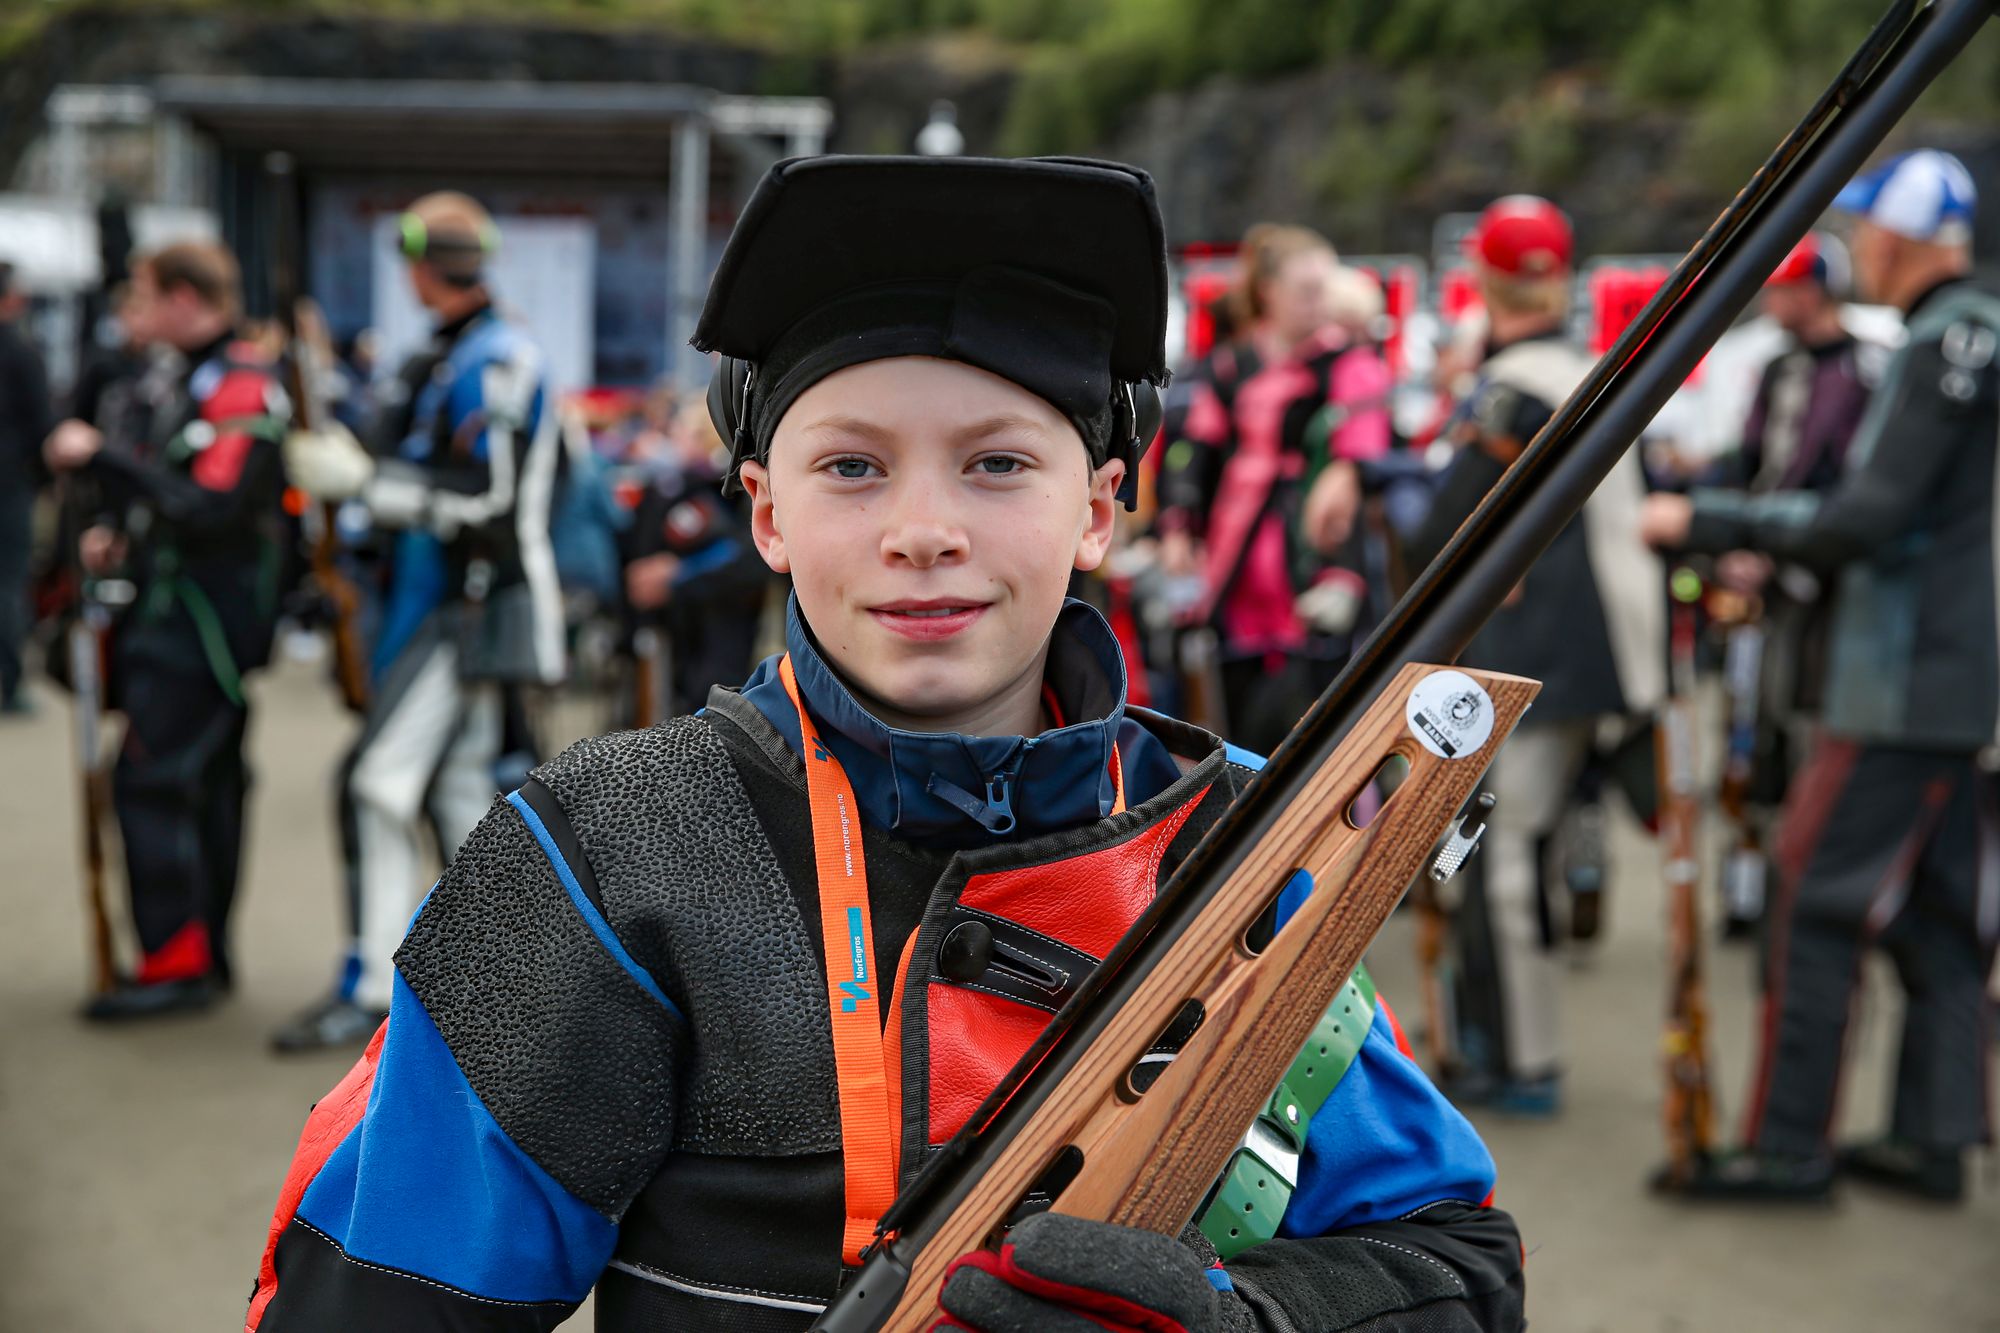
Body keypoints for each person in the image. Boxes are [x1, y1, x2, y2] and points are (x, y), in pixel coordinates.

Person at [246, 156, 1524, 1332]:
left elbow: (1455, 1264)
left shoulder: (1249, 845)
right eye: (852, 467)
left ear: (1097, 507)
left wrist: (1242, 1316)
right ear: (765, 513)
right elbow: (375, 1299)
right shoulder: (606, 849)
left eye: (998, 464)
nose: (923, 529)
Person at [1641, 150, 1997, 1203]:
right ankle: (1933, 1136)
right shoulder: (1960, 332)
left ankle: (1786, 1147)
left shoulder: (1943, 338)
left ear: (1898, 239)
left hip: (1896, 680)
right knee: (1933, 917)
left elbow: (1862, 519)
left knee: (1810, 897)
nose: (1856, 256)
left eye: (1865, 234)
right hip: (1949, 675)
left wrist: (1704, 520)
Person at [273, 191, 566, 1052]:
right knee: (458, 789)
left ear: (416, 265)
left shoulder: (497, 355)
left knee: (381, 784)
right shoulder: (453, 353)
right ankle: (500, 986)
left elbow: (494, 497)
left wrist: (363, 485)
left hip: (470, 604)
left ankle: (377, 987)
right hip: (438, 603)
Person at [1404, 196, 1665, 1114]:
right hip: (1614, 654)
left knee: (1504, 858)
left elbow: (1444, 529)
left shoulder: (1512, 384)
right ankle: (1513, 1039)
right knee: (1530, 849)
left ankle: (1523, 1056)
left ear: (1482, 279)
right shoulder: (1586, 363)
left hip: (1551, 652)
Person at [41, 241, 290, 1017]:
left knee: (156, 782)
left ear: (186, 296)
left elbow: (210, 505)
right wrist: (120, 530)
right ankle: (194, 957)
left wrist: (105, 459)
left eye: (145, 296)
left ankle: (177, 962)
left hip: (201, 630)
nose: (134, 314)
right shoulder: (180, 375)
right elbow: (173, 497)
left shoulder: (241, 381)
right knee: (198, 787)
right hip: (173, 618)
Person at [1704, 231, 1886, 933]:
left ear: (1814, 290)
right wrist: (1728, 542)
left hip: (1822, 590)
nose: (1774, 300)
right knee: (1746, 736)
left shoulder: (1866, 371)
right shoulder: (1777, 368)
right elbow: (1749, 462)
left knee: (1809, 727)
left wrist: (1775, 550)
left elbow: (1848, 490)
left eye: (1784, 287)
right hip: (1760, 586)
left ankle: (1811, 883)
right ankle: (1747, 889)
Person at [1157, 225, 1393, 754]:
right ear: (1269, 292)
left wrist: (1346, 471)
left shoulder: (1348, 362)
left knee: (1312, 715)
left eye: (1323, 289)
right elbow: (1191, 452)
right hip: (1235, 552)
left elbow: (1367, 437)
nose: (1319, 303)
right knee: (1231, 712)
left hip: (1313, 550)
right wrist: (1177, 526)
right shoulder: (1229, 364)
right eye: (1306, 290)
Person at [622, 397, 771, 718]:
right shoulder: (683, 488)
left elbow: (750, 556)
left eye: (685, 431)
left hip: (726, 631)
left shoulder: (736, 489)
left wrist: (678, 575)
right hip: (685, 631)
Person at [0, 261, 54, 715]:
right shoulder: (21, 352)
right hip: (10, 484)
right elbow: (43, 424)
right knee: (9, 582)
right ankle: (9, 682)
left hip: (13, 481)